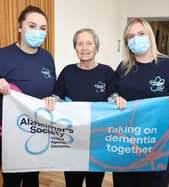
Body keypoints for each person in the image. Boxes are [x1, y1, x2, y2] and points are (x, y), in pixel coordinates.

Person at [0, 5, 56, 187]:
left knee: (32, 179)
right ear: (20, 27)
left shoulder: (47, 58)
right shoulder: (0, 57)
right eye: (32, 26)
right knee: (11, 181)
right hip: (6, 133)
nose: (38, 32)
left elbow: (51, 92)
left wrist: (53, 98)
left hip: (36, 131)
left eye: (43, 28)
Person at [112, 18, 169, 187]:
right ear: (127, 42)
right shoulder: (123, 67)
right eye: (131, 36)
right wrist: (114, 99)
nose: (136, 39)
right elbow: (112, 96)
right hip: (126, 143)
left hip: (157, 143)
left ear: (150, 36)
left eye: (141, 34)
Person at [44, 28, 125, 187]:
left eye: (89, 43)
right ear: (75, 48)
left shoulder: (107, 72)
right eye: (80, 44)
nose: (84, 48)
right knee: (72, 182)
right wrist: (49, 100)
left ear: (96, 47)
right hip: (72, 140)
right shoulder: (67, 72)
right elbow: (57, 98)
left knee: (95, 183)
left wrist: (118, 99)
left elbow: (112, 97)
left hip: (97, 141)